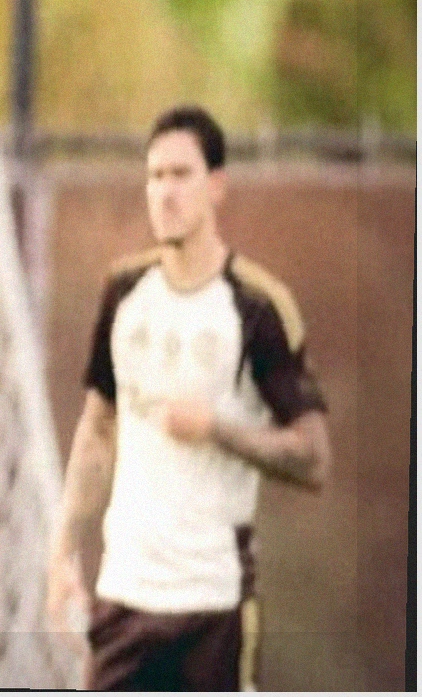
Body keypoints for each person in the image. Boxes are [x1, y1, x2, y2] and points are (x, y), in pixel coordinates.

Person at [45, 106, 331, 691]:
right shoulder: (124, 293)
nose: (166, 192)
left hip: (213, 606)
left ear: (216, 185)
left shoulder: (256, 306)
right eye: (155, 176)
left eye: (181, 175)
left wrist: (216, 428)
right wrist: (64, 549)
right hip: (124, 596)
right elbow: (97, 429)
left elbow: (313, 458)